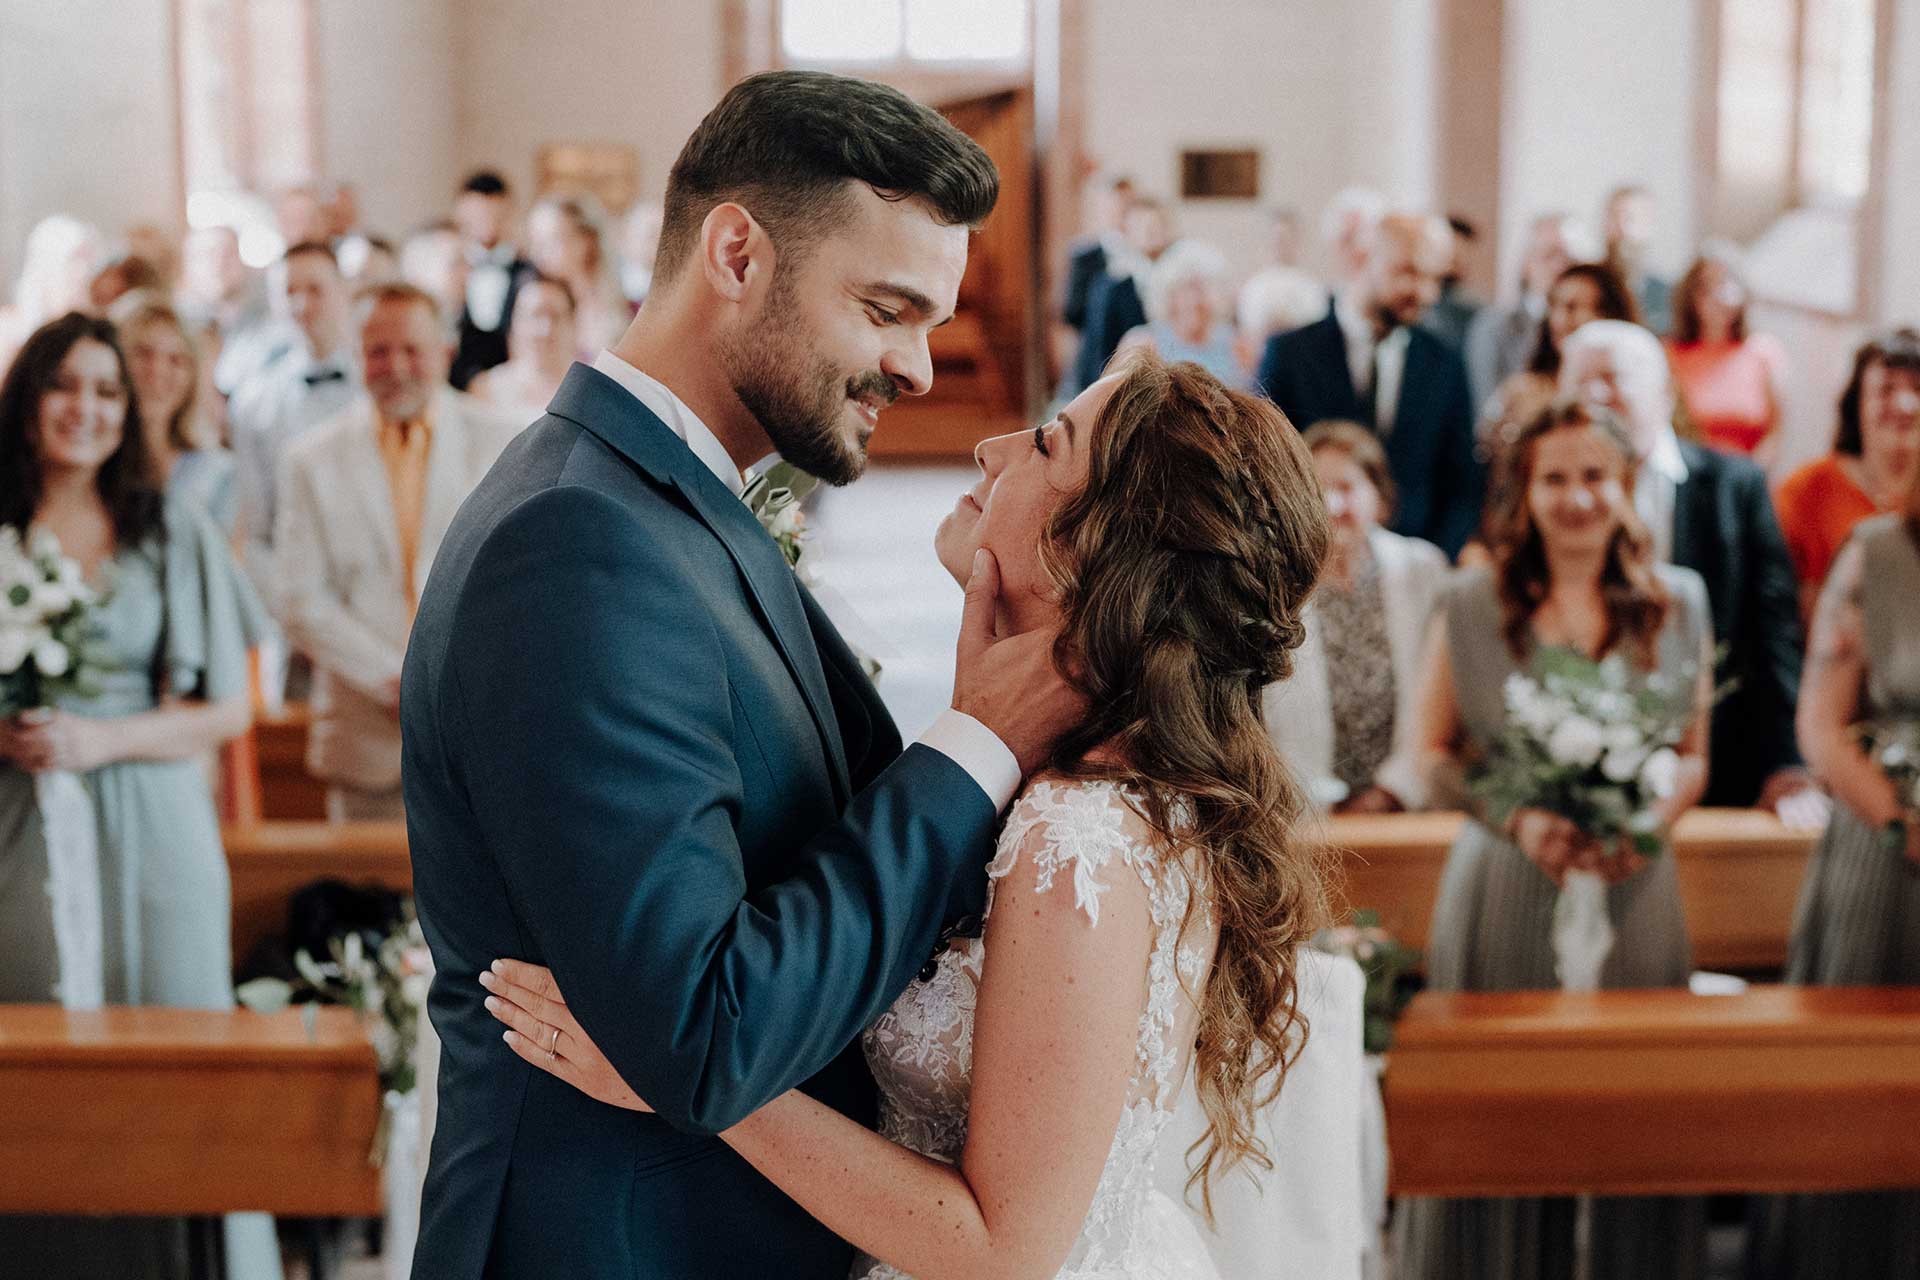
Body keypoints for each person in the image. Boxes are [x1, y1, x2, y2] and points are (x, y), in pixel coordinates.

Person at [402, 70, 1084, 1279]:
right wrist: (974, 741)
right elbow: (702, 1034)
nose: (921, 367)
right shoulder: (576, 541)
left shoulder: (657, 506)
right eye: (886, 308)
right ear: (735, 253)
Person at [484, 350, 1337, 1280]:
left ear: (1101, 547)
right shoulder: (1069, 787)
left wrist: (689, 1080)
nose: (991, 446)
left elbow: (1003, 1248)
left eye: (1046, 444)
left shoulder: (1077, 840)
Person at [1393, 399, 1713, 1279]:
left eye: (1595, 476)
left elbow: (1691, 759)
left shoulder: (1679, 601)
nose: (1578, 497)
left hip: (1637, 885)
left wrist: (1647, 825)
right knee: (1502, 1118)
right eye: (1556, 478)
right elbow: (1429, 756)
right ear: (1524, 493)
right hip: (1506, 880)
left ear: (1626, 486)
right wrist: (1521, 817)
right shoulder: (1470, 602)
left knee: (1635, 1110)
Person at [0, 312, 276, 1278]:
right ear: (29, 395)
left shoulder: (168, 528)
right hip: (16, 825)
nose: (86, 409)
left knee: (174, 1048)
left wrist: (98, 739)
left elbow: (228, 710)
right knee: (28, 1038)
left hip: (154, 827)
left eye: (107, 391)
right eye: (65, 386)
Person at [1751, 484, 1920, 1277]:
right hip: (1888, 855)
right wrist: (1904, 821)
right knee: (1863, 1087)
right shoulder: (1876, 554)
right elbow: (1821, 723)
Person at [1559, 320, 1822, 819]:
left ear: (1662, 392)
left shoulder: (1734, 487)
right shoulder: (1547, 498)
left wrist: (1787, 763)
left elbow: (1774, 634)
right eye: (1579, 382)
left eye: (1612, 378)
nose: (1595, 395)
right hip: (1577, 759)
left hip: (1717, 759)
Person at [275, 284, 516, 822]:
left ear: (445, 352)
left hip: (479, 728)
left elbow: (519, 581)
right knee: (366, 904)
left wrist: (451, 675)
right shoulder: (310, 460)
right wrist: (395, 679)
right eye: (377, 351)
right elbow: (299, 598)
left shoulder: (504, 440)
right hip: (364, 735)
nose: (396, 366)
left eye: (412, 349)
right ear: (356, 356)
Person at [1257, 211, 1485, 557]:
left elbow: (1461, 483)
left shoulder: (1444, 362)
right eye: (1408, 272)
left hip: (1414, 566)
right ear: (1363, 259)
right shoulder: (1290, 353)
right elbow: (1262, 466)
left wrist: (1434, 559)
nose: (1424, 292)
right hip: (1310, 559)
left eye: (1434, 279)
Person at [1264, 421, 1444, 812]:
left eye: (1346, 488)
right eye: (1319, 490)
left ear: (1379, 497)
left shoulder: (1422, 569)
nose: (1333, 506)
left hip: (1407, 808)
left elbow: (1440, 697)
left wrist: (1390, 793)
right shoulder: (1274, 583)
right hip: (1304, 814)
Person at [1775, 329, 1920, 621]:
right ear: (1857, 404)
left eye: (1918, 389)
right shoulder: (1807, 489)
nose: (1905, 405)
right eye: (1886, 389)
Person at [1480, 261, 1641, 459]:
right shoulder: (1521, 392)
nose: (1558, 320)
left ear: (1606, 314)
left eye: (1572, 307)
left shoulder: (1627, 393)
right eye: (1554, 306)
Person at [115, 297, 238, 533]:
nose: (157, 370)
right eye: (143, 353)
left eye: (176, 360)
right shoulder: (90, 466)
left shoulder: (217, 475)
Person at [1464, 213, 1593, 416]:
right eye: (1550, 255)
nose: (1560, 267)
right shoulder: (1494, 326)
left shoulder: (1595, 327)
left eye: (1570, 258)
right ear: (1526, 262)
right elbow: (1489, 412)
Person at [1666, 248, 1787, 460]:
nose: (1717, 297)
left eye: (1724, 284)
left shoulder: (1762, 353)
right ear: (1691, 295)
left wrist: (1751, 475)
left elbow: (1777, 429)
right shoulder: (1670, 354)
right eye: (1706, 288)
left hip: (1748, 476)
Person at [1068, 195, 1174, 398]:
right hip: (1125, 388)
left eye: (1158, 225)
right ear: (1128, 230)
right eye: (1145, 226)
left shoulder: (1178, 278)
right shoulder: (1112, 284)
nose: (1152, 233)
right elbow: (1099, 350)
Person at [1117, 239, 1245, 386]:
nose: (1195, 300)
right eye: (1186, 290)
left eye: (1202, 290)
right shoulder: (1142, 343)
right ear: (1168, 295)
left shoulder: (1236, 344)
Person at [451, 170, 533, 389]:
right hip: (457, 381)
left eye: (494, 215)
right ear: (461, 212)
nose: (486, 222)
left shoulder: (528, 272)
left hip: (513, 384)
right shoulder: (450, 271)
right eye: (478, 215)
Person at [525, 193, 630, 354]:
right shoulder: (533, 300)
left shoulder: (620, 304)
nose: (538, 252)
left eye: (551, 240)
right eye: (535, 241)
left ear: (586, 241)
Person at [467, 273, 578, 422]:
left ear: (573, 323)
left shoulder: (590, 389)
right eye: (535, 315)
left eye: (555, 316)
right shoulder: (487, 388)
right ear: (515, 322)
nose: (545, 329)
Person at [0, 215, 103, 373]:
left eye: (87, 261)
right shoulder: (8, 329)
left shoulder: (95, 332)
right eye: (74, 260)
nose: (83, 272)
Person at [1602, 184, 1672, 335]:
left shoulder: (1668, 294)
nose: (1621, 228)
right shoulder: (1587, 285)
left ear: (1650, 225)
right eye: (1614, 217)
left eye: (1630, 218)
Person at [1421, 214, 1483, 351]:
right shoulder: (1416, 303)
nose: (1458, 261)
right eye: (1453, 254)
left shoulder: (1475, 310)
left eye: (1463, 255)